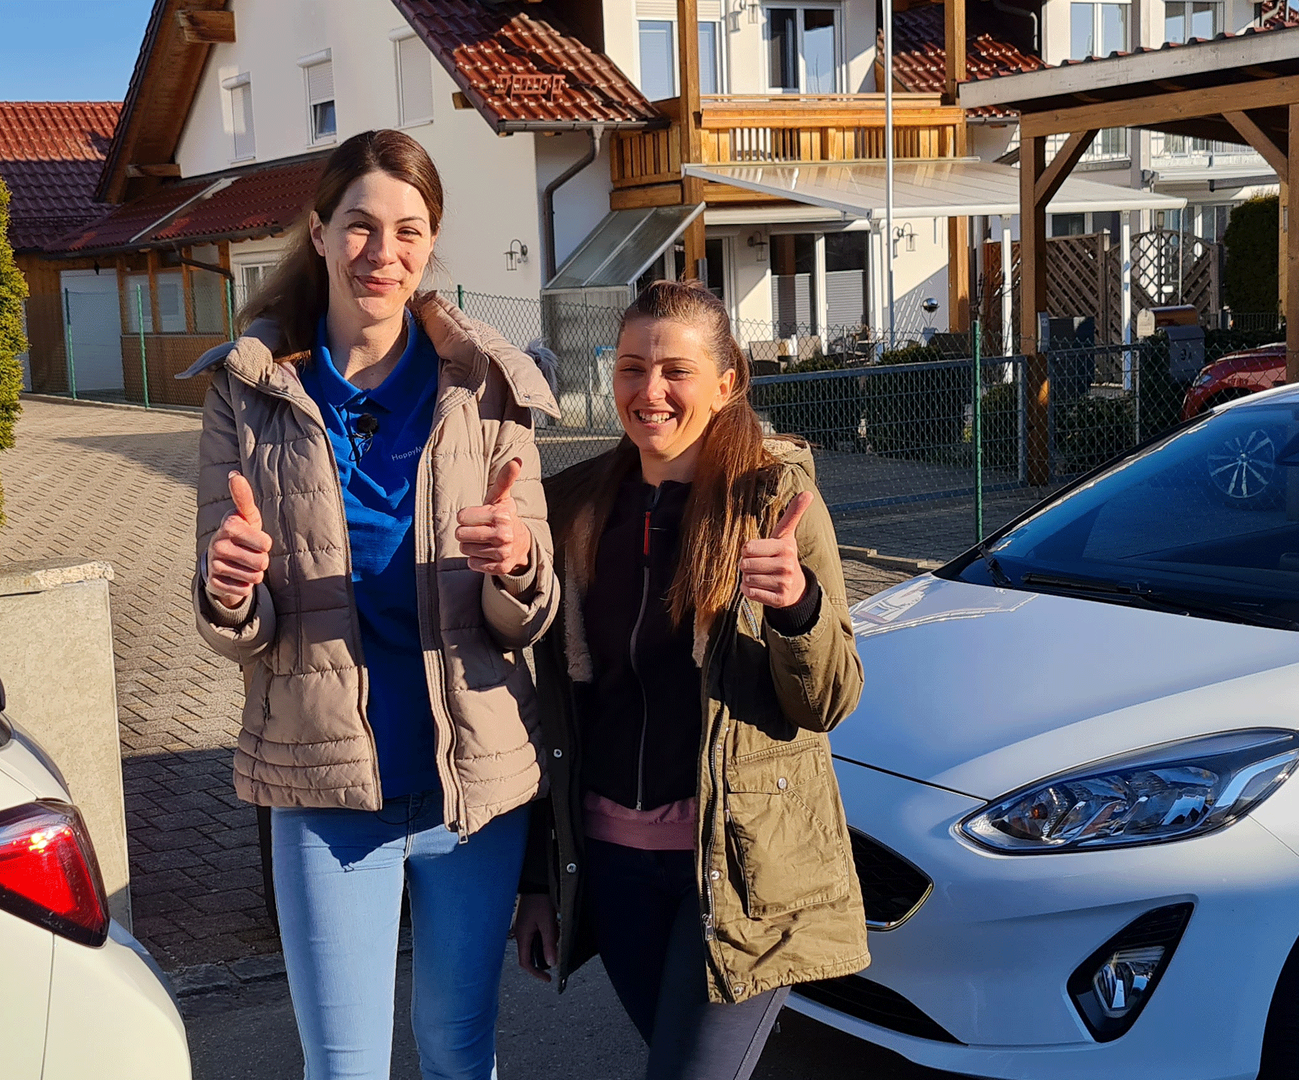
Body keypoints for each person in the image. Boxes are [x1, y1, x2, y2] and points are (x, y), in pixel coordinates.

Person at [191, 129, 560, 1080]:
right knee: (344, 1066)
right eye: (359, 225)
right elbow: (237, 627)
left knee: (457, 1051)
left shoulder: (488, 388)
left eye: (408, 230)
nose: (382, 252)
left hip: (472, 786)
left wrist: (516, 565)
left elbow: (530, 615)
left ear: (430, 244)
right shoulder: (248, 393)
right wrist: (230, 590)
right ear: (319, 232)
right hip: (323, 788)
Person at [512, 280, 868, 1080]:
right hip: (612, 867)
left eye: (676, 370)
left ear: (726, 382)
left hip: (735, 869)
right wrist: (539, 880)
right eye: (632, 368)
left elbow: (830, 700)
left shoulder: (774, 500)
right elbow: (555, 713)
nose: (651, 391)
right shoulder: (573, 507)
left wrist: (798, 607)